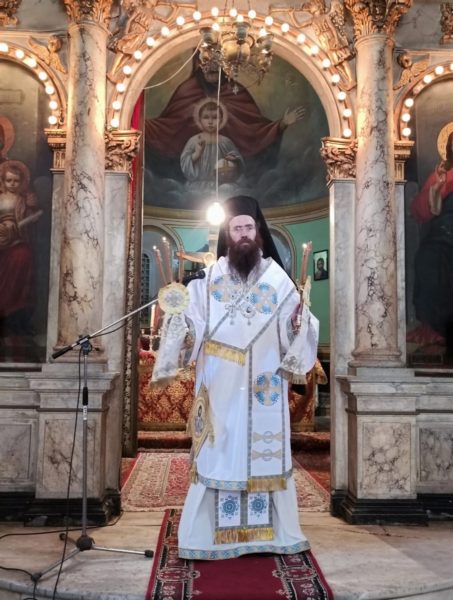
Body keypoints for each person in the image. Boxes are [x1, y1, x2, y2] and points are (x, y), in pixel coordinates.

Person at [152, 195, 319, 559]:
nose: (243, 234)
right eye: (237, 228)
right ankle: (205, 536)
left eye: (248, 227)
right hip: (220, 385)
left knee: (263, 455)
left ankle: (275, 535)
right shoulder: (206, 279)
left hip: (264, 384)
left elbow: (297, 328)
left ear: (258, 232)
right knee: (218, 452)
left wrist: (298, 325)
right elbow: (191, 327)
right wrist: (179, 321)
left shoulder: (277, 279)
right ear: (227, 233)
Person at [408, 131, 453, 347]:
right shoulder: (443, 175)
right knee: (426, 257)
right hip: (442, 233)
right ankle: (433, 326)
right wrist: (437, 186)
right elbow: (426, 210)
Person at [0, 160, 40, 346]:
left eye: (16, 181)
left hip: (17, 243)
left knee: (23, 256)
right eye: (9, 180)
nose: (12, 184)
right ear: (3, 180)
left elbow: (33, 219)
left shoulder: (24, 200)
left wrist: (32, 209)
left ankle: (14, 314)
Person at [180, 99, 244, 196]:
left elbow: (238, 162)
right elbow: (185, 162)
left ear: (221, 119)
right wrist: (196, 154)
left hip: (222, 184)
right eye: (206, 117)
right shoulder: (194, 141)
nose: (210, 122)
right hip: (199, 185)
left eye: (215, 117)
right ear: (200, 119)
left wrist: (233, 160)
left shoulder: (226, 142)